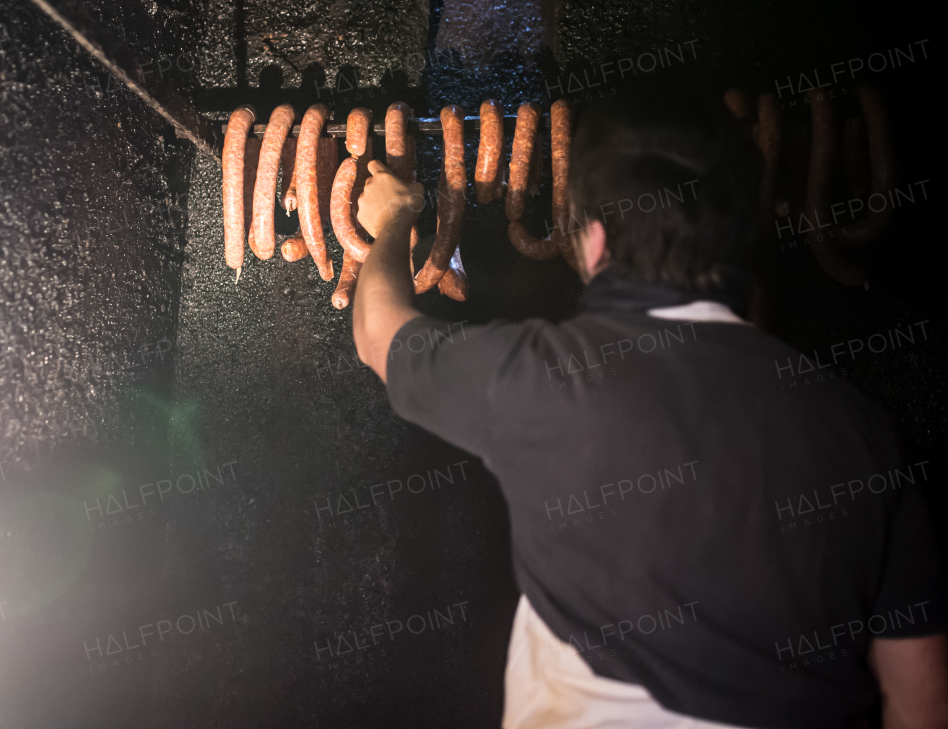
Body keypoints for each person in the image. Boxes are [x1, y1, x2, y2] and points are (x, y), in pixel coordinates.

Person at [352, 92, 948, 729]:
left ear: (597, 238)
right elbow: (923, 704)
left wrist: (396, 217)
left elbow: (377, 330)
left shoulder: (537, 376)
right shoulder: (860, 428)